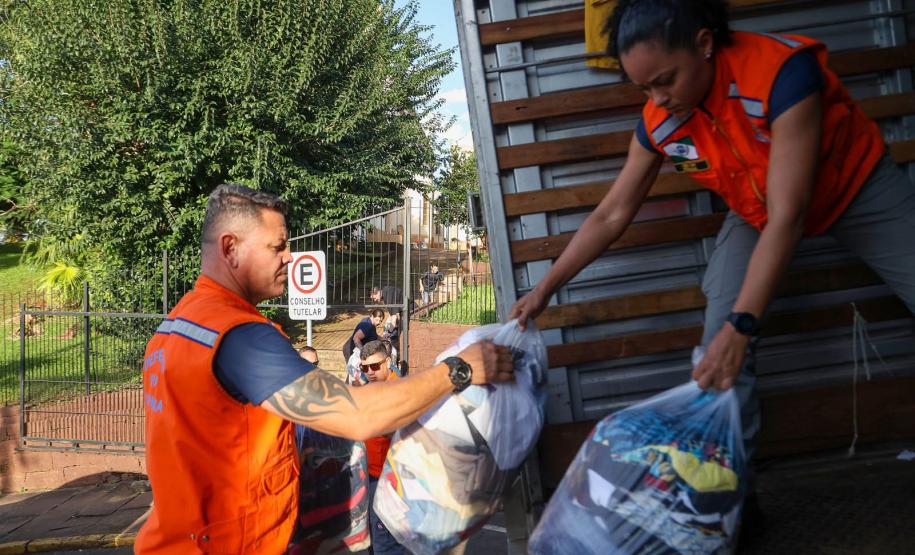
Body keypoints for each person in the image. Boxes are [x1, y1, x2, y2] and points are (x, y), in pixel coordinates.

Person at [510, 0, 915, 537]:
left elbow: (790, 215)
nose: (657, 99)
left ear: (705, 44)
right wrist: (545, 290)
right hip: (757, 213)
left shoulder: (780, 74)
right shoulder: (660, 119)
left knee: (735, 331)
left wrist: (744, 326)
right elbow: (612, 213)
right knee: (718, 352)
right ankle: (735, 506)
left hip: (853, 188)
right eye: (643, 90)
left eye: (665, 80)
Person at [136, 184, 514, 554]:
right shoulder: (239, 338)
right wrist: (458, 370)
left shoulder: (178, 326)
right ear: (231, 248)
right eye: (277, 246)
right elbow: (357, 415)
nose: (288, 257)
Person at [358, 340, 407, 555]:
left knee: (386, 544)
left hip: (391, 480)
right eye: (364, 367)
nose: (370, 372)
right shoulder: (370, 389)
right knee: (372, 539)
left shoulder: (399, 390)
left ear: (388, 362)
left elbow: (401, 429)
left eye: (375, 366)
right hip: (370, 476)